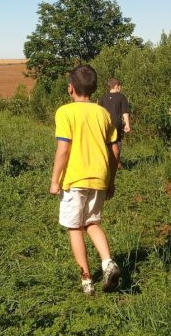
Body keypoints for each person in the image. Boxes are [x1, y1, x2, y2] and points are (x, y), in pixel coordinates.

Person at [49, 64, 121, 296]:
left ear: (71, 88)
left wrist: (54, 180)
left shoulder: (65, 112)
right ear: (94, 89)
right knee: (93, 223)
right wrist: (111, 180)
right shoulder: (103, 113)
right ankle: (108, 262)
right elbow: (115, 151)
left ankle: (87, 280)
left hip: (74, 179)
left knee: (75, 227)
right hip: (100, 177)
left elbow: (63, 150)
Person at [99, 78, 131, 166]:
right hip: (116, 123)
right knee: (117, 142)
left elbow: (99, 112)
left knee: (104, 142)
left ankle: (105, 162)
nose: (120, 88)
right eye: (120, 86)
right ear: (116, 86)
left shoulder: (103, 98)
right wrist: (127, 124)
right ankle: (115, 162)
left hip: (104, 123)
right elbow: (125, 112)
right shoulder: (122, 97)